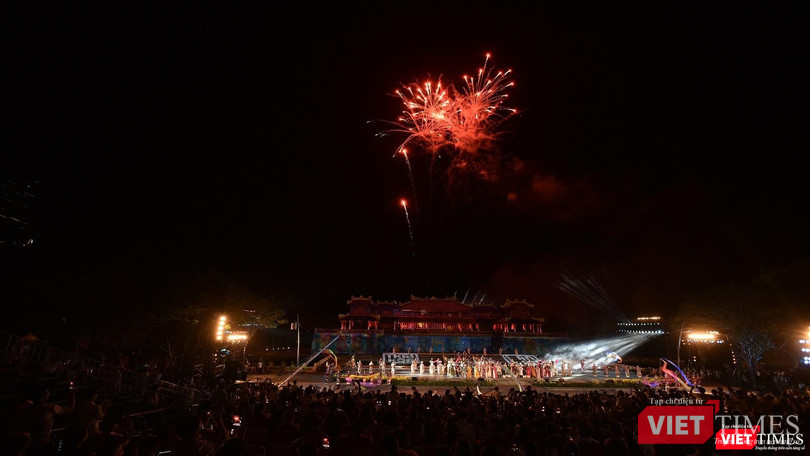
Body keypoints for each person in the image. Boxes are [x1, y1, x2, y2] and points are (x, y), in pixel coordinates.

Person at [16, 386, 76, 454]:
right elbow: (70, 408)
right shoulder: (50, 408)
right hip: (43, 442)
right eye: (47, 392)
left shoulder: (27, 408)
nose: (49, 393)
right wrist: (72, 394)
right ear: (43, 395)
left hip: (29, 443)